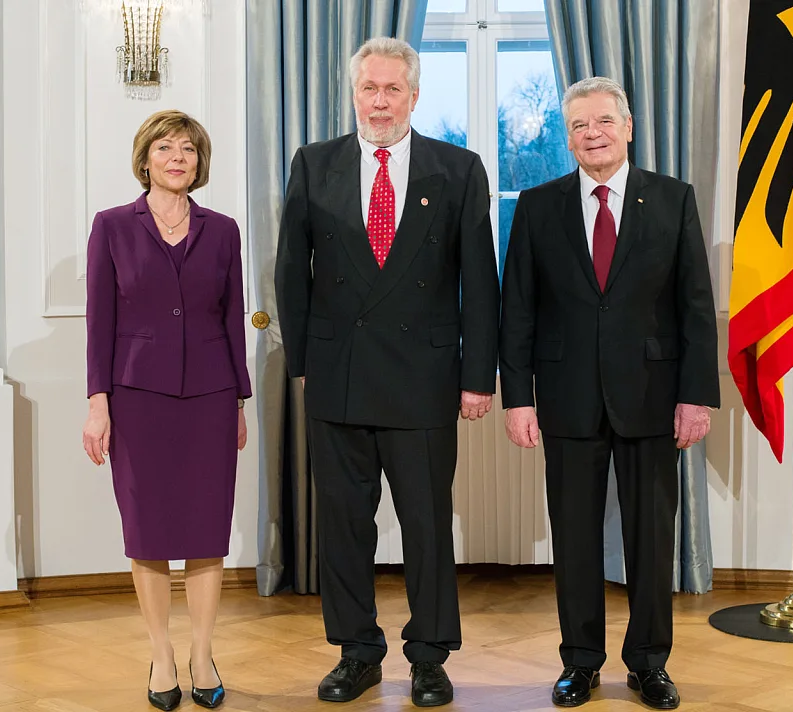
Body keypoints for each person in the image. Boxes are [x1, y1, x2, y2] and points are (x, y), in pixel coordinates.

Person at [275, 36, 500, 708]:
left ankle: (430, 657)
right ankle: (356, 652)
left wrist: (478, 376)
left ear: (414, 95)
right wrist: (306, 364)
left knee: (428, 525)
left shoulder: (457, 169)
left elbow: (480, 284)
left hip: (426, 378)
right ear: (354, 93)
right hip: (338, 378)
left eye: (391, 89)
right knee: (343, 525)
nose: (379, 101)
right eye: (368, 88)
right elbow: (292, 271)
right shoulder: (315, 165)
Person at [499, 76, 719, 710]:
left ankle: (650, 664)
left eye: (602, 122)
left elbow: (695, 306)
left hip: (653, 396)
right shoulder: (538, 206)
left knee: (652, 541)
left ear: (627, 127)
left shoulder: (673, 199)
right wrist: (519, 398)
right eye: (578, 125)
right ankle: (580, 663)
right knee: (573, 540)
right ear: (566, 135)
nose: (591, 134)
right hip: (566, 400)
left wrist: (695, 394)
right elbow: (518, 310)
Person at [83, 109, 250, 711]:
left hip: (209, 397)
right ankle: (161, 653)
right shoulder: (112, 227)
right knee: (148, 533)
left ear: (200, 163)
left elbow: (232, 319)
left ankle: (202, 651)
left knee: (207, 532)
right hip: (137, 400)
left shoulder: (224, 229)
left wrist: (238, 401)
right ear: (145, 158)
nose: (177, 157)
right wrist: (97, 402)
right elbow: (100, 323)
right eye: (165, 147)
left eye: (188, 149)